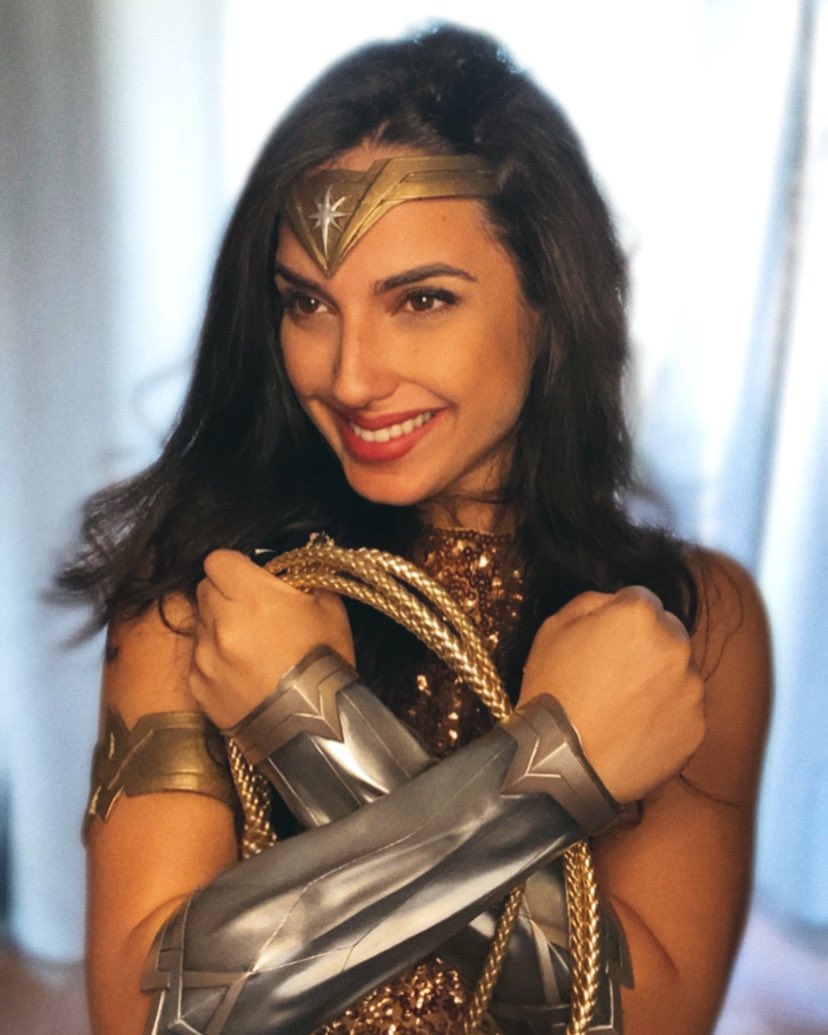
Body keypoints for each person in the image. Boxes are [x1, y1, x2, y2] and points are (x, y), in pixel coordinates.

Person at [62, 24, 771, 1035]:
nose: (350, 375)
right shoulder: (210, 598)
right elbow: (151, 1019)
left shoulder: (688, 623)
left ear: (551, 300)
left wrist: (309, 730)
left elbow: (645, 1019)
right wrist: (548, 775)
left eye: (422, 300)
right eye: (307, 304)